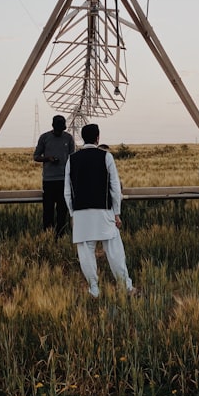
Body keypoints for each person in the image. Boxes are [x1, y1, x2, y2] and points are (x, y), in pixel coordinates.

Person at [64, 124, 137, 298]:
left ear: (82, 138)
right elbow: (114, 188)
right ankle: (125, 287)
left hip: (81, 213)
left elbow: (67, 191)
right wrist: (116, 213)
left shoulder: (71, 159)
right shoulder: (106, 157)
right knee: (114, 251)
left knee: (86, 253)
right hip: (103, 212)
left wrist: (73, 213)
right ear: (97, 138)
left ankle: (94, 290)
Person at [33, 115, 75, 236]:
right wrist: (48, 159)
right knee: (48, 211)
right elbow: (36, 157)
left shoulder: (68, 138)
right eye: (57, 129)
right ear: (53, 126)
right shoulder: (44, 138)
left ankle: (61, 234)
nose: (59, 132)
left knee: (62, 210)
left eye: (61, 129)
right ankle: (48, 234)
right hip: (49, 180)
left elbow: (73, 158)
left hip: (64, 180)